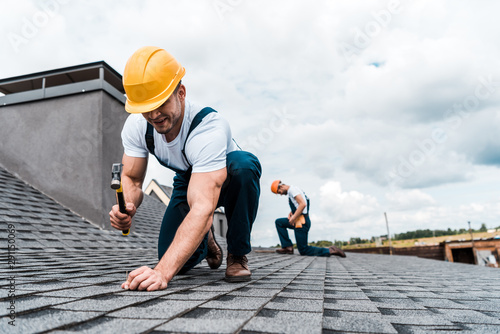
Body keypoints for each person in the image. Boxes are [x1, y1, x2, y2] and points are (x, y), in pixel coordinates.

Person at [109, 46, 261, 291]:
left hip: (226, 171)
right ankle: (207, 239)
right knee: (172, 254)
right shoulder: (137, 126)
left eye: (160, 103)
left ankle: (237, 254)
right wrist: (128, 207)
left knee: (245, 166)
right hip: (188, 178)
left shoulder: (208, 127)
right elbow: (132, 179)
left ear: (181, 93)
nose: (154, 114)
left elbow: (202, 206)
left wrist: (161, 273)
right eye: (146, 107)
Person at [270, 180, 346, 257]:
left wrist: (293, 218)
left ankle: (330, 250)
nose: (281, 194)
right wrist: (292, 212)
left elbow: (303, 204)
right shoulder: (294, 189)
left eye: (279, 192)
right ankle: (287, 247)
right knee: (279, 222)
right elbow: (300, 203)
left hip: (302, 223)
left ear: (281, 186)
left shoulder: (292, 191)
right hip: (298, 220)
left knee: (303, 250)